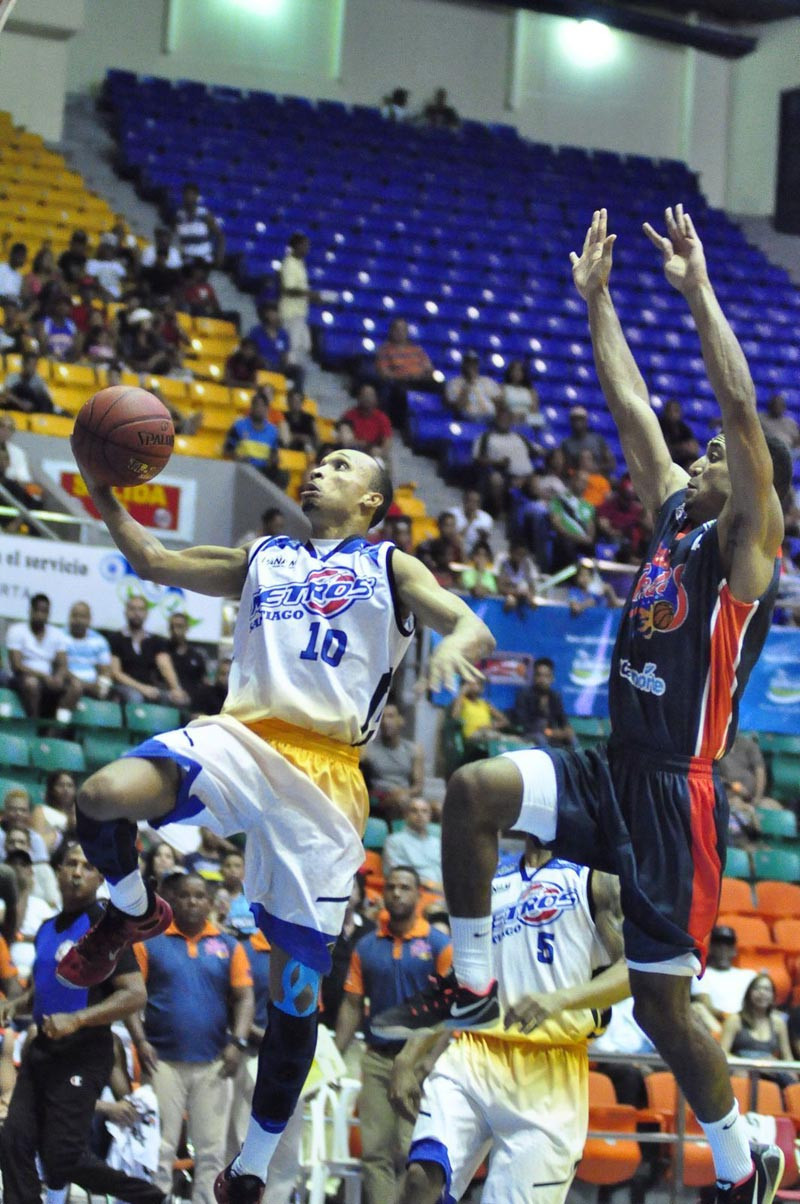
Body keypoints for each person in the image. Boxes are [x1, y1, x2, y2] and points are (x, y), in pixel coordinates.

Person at [377, 206, 791, 1204]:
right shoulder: (668, 526)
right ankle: (472, 974)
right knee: (475, 789)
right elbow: (631, 408)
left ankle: (739, 1156)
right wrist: (594, 302)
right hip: (611, 766)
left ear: (737, 481)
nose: (691, 456)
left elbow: (735, 411)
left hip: (677, 798)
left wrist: (696, 291)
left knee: (658, 1008)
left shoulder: (744, 560)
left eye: (711, 459)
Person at [55, 441, 494, 1203]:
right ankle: (130, 909)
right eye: (319, 460)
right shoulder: (268, 557)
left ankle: (251, 1168)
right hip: (240, 738)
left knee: (297, 994)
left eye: (343, 466)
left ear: (371, 503)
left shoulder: (388, 566)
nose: (322, 468)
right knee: (99, 793)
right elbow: (155, 561)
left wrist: (455, 645)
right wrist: (102, 489)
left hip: (324, 779)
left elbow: (465, 622)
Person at [386, 841, 627, 1204]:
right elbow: (462, 973)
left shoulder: (598, 876)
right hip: (474, 1052)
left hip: (550, 1069)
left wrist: (562, 999)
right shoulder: (492, 875)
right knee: (421, 1178)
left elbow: (638, 971)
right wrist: (409, 1053)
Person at [0, 842, 164, 1204]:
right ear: (57, 871)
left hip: (84, 1050)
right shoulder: (46, 928)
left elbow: (134, 995)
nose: (77, 872)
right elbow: (41, 989)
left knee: (64, 1156)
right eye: (70, 864)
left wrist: (77, 1019)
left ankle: (151, 1198)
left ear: (99, 878)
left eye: (87, 866)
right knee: (14, 1140)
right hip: (42, 1049)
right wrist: (14, 1005)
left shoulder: (104, 927)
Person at [129, 871, 254, 1203]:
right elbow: (130, 997)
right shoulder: (149, 942)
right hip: (161, 1061)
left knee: (212, 1153)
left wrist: (238, 1042)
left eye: (200, 896)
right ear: (173, 901)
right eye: (185, 895)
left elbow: (244, 997)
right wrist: (140, 1041)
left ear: (211, 904)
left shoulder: (229, 946)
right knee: (160, 1148)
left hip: (215, 1061)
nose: (193, 901)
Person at [335, 866, 452, 1204]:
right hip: (377, 1059)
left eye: (405, 887)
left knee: (413, 1155)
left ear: (418, 895)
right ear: (383, 894)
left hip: (419, 1064)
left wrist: (431, 1059)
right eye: (392, 887)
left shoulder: (438, 944)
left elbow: (450, 1011)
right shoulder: (366, 946)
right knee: (375, 1154)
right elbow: (352, 1005)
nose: (397, 893)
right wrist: (335, 1055)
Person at [108, 595, 189, 708]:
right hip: (124, 687)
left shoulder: (155, 641)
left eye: (141, 609)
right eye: (132, 609)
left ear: (146, 614)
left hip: (151, 688)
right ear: (125, 612)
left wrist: (176, 689)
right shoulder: (115, 638)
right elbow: (116, 673)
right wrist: (142, 688)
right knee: (135, 697)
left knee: (180, 699)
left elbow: (165, 666)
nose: (136, 613)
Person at [721, 974, 796, 1089]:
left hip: (771, 1070)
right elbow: (722, 1053)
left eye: (767, 989)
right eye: (757, 988)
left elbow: (787, 1057)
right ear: (749, 993)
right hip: (742, 1068)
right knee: (741, 1076)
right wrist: (751, 1064)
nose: (762, 993)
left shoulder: (778, 1023)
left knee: (791, 1083)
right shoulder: (735, 1020)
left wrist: (788, 1073)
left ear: (773, 996)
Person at [6, 593, 69, 719]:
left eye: (44, 612)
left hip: (48, 678)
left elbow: (62, 663)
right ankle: (34, 722)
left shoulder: (57, 634)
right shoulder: (17, 630)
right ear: (30, 611)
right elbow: (17, 665)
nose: (41, 615)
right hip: (22, 677)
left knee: (75, 687)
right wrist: (44, 676)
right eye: (38, 610)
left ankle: (54, 731)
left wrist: (59, 677)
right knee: (32, 683)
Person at [360, 701, 425, 817]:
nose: (385, 722)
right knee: (402, 801)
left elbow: (418, 787)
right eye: (382, 717)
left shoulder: (413, 750)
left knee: (437, 809)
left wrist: (404, 793)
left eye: (391, 716)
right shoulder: (368, 750)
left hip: (405, 796)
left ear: (401, 720)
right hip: (379, 798)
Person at [691, 925, 758, 1036]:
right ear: (711, 949)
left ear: (734, 950)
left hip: (748, 1025)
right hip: (718, 1025)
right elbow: (706, 1005)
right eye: (718, 945)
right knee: (697, 1008)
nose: (723, 950)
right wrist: (731, 1018)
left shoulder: (749, 975)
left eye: (728, 945)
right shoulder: (701, 974)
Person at [223, 387, 288, 488]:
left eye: (263, 406)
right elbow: (227, 450)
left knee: (283, 475)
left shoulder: (273, 431)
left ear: (267, 409)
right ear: (251, 408)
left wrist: (274, 460)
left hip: (263, 470)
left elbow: (274, 454)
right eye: (257, 405)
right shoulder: (239, 426)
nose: (259, 409)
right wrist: (238, 457)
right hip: (244, 467)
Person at [509, 656, 574, 749]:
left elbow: (562, 719)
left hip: (552, 734)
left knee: (572, 738)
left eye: (546, 676)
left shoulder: (555, 696)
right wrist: (549, 732)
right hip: (531, 735)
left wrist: (567, 730)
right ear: (534, 677)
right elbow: (523, 722)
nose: (542, 679)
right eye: (539, 675)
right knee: (540, 738)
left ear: (552, 678)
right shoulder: (524, 695)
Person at [382, 798, 443, 894]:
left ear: (430, 816)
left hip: (444, 891)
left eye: (424, 811)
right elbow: (396, 875)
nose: (420, 814)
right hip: (416, 892)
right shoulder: (395, 841)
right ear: (406, 815)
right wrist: (432, 885)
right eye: (414, 811)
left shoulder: (437, 843)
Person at [61, 600, 114, 711]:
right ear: (69, 617)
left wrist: (102, 685)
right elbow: (61, 668)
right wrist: (82, 684)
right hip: (67, 684)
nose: (78, 620)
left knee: (108, 691)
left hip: (93, 687)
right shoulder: (60, 636)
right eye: (75, 616)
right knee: (75, 688)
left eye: (83, 616)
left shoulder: (100, 641)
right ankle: (59, 726)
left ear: (90, 620)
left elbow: (105, 671)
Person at [278, 231, 316, 366]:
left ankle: (296, 371)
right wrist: (309, 294)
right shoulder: (289, 263)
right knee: (292, 347)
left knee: (305, 345)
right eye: (305, 245)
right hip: (290, 312)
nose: (307, 249)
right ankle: (289, 373)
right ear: (297, 246)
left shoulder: (300, 263)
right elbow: (287, 289)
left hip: (300, 313)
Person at [172, 183, 223, 267]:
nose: (188, 197)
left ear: (197, 196)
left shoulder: (204, 214)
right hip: (187, 261)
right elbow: (174, 237)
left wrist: (219, 257)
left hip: (203, 261)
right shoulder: (178, 215)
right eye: (186, 194)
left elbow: (220, 236)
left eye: (192, 194)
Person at [166, 611, 208, 710]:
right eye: (173, 627)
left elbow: (203, 679)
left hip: (193, 697)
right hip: (171, 695)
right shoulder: (164, 651)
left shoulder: (196, 655)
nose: (176, 630)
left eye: (180, 626)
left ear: (187, 628)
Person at [341, 383, 393, 463]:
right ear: (359, 397)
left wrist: (379, 451)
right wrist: (361, 445)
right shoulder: (349, 415)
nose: (367, 398)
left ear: (376, 399)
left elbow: (387, 443)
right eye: (364, 395)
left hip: (372, 454)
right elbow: (346, 441)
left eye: (370, 395)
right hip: (352, 452)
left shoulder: (383, 418)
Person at [560, 404, 615, 477]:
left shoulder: (598, 440)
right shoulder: (566, 444)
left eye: (580, 419)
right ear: (570, 421)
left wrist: (596, 469)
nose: (577, 422)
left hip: (599, 478)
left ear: (586, 421)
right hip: (577, 480)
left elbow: (611, 464)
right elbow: (564, 468)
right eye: (574, 419)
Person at [444, 350, 501, 418]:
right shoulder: (454, 383)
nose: (471, 366)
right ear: (463, 364)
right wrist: (469, 383)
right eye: (469, 363)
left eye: (474, 363)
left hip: (489, 418)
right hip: (468, 417)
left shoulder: (487, 381)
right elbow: (458, 407)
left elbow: (499, 401)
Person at [1, 350, 56, 414]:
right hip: (14, 409)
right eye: (30, 364)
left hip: (32, 412)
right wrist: (21, 403)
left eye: (35, 365)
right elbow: (6, 394)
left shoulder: (39, 381)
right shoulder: (12, 377)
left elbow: (47, 399)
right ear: (23, 364)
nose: (33, 368)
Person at [447, 488, 494, 557]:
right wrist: (470, 521)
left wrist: (483, 538)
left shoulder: (486, 518)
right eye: (470, 501)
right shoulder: (453, 513)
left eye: (476, 502)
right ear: (464, 501)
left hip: (474, 553)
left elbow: (484, 544)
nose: (472, 504)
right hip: (453, 549)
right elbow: (453, 538)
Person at [658, 398, 701, 470]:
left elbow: (693, 446)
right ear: (666, 412)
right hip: (665, 458)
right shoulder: (660, 425)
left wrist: (690, 447)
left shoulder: (683, 427)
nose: (673, 414)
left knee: (693, 462)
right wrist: (681, 447)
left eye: (676, 411)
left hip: (681, 458)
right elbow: (660, 447)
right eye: (671, 411)